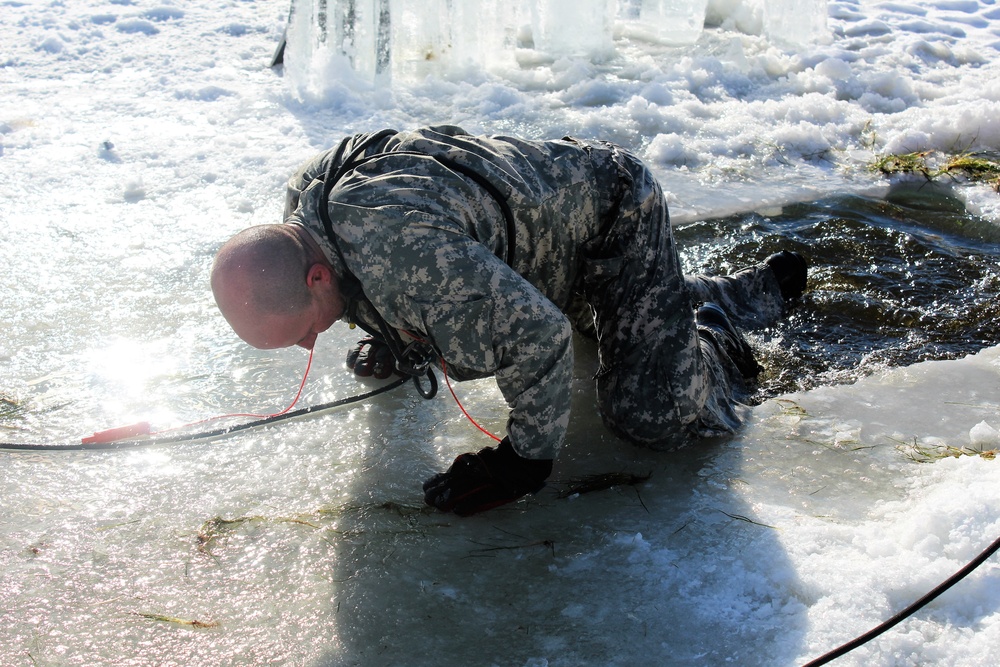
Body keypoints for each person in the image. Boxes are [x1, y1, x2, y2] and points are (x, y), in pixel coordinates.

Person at [211, 125, 807, 516]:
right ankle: (701, 298)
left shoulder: (399, 253)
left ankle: (713, 332)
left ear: (316, 278)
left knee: (649, 415)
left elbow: (539, 334)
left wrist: (519, 461)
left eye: (306, 331)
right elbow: (388, 276)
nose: (311, 342)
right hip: (532, 243)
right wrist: (398, 333)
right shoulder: (307, 216)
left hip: (609, 214)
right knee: (569, 319)